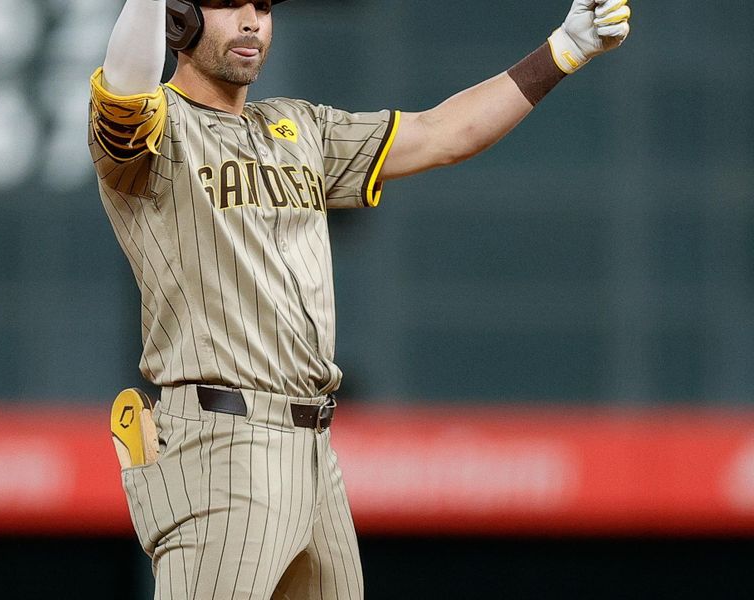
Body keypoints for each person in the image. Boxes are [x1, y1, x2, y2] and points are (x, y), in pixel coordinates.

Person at [89, 0, 631, 598]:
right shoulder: (157, 132)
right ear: (178, 21)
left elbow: (441, 133)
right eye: (227, 5)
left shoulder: (298, 127)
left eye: (263, 7)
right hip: (219, 441)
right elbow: (127, 84)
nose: (252, 22)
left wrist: (563, 51)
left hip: (315, 451)